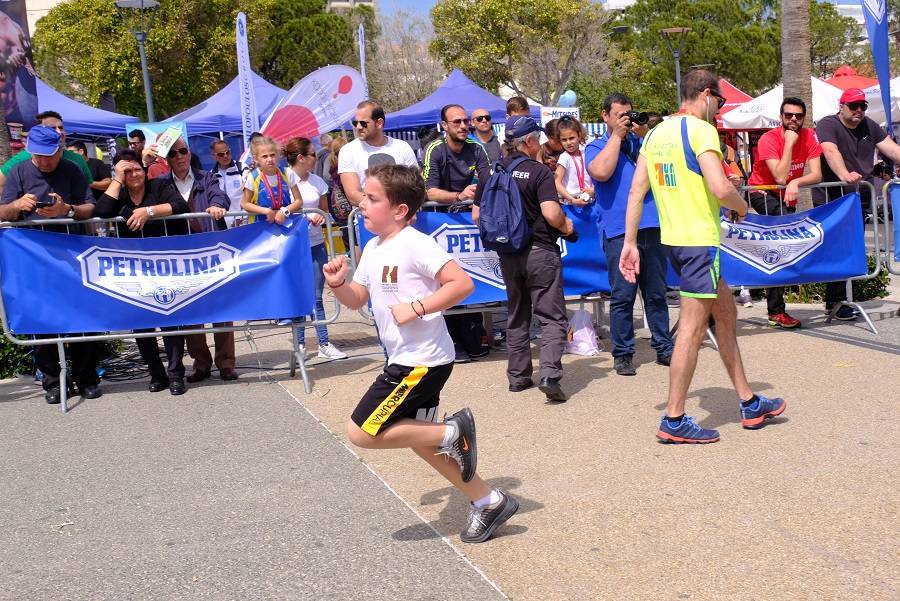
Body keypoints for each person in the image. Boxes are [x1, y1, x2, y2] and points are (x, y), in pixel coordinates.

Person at [322, 164, 518, 543]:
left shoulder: (416, 243)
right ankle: (489, 500)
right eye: (364, 195)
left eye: (372, 197)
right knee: (420, 441)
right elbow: (358, 299)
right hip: (409, 357)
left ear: (399, 210)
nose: (362, 203)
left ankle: (453, 430)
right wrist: (339, 284)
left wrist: (417, 308)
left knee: (361, 432)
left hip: (421, 361)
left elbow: (461, 284)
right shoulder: (374, 247)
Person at [620, 69, 786, 444]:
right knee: (691, 331)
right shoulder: (700, 131)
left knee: (725, 315)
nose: (719, 109)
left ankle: (748, 400)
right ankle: (674, 419)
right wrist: (742, 206)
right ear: (707, 94)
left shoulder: (656, 133)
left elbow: (635, 192)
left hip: (676, 243)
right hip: (700, 244)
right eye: (720, 102)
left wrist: (630, 242)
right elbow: (719, 186)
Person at [473, 116, 575, 402]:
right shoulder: (539, 172)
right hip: (540, 251)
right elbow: (553, 214)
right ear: (529, 141)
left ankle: (518, 378)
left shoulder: (491, 173)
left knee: (517, 315)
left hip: (508, 254)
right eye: (537, 139)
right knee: (552, 317)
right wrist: (568, 227)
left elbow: (478, 215)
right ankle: (550, 375)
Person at [0, 125, 101, 404]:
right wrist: (18, 205)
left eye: (48, 156)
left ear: (59, 149)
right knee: (42, 319)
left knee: (83, 318)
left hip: (71, 256)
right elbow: (2, 211)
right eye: (37, 155)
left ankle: (87, 377)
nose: (43, 161)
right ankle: (53, 381)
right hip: (33, 257)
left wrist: (65, 210)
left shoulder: (72, 170)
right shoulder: (18, 172)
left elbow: (90, 207)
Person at [586, 92, 673, 376]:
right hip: (618, 231)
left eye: (629, 114)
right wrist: (617, 137)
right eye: (619, 115)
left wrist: (643, 133)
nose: (626, 119)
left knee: (656, 294)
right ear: (605, 116)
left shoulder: (643, 143)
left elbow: (663, 168)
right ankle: (623, 353)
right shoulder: (597, 146)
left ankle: (664, 346)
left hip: (652, 225)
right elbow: (600, 172)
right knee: (623, 295)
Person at [95, 149, 191, 395]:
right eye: (127, 171)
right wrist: (117, 181)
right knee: (141, 324)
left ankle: (176, 374)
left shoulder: (158, 186)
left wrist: (147, 212)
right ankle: (156, 374)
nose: (134, 174)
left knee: (170, 320)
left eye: (137, 168)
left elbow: (179, 204)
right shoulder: (119, 194)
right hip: (134, 270)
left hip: (164, 266)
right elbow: (103, 210)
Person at [158, 136, 239, 384]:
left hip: (210, 252)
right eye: (173, 153)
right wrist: (145, 159)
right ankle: (201, 363)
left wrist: (216, 205)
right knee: (191, 310)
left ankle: (226, 363)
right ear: (167, 159)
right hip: (180, 255)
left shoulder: (206, 177)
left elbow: (220, 196)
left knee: (221, 308)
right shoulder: (161, 184)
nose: (180, 156)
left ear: (189, 153)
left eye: (183, 151)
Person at [815, 87, 900, 320]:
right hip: (832, 198)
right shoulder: (828, 124)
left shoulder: (869, 125)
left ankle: (840, 300)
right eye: (854, 106)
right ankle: (834, 301)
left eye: (862, 106)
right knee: (834, 248)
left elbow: (891, 149)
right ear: (841, 106)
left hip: (858, 197)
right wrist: (843, 173)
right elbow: (829, 150)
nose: (859, 110)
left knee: (850, 247)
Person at [423, 104, 492, 363]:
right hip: (441, 223)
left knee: (476, 280)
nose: (463, 126)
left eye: (466, 121)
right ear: (444, 126)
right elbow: (429, 191)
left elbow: (489, 181)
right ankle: (452, 341)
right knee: (447, 284)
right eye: (456, 122)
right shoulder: (435, 149)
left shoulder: (477, 147)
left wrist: (475, 201)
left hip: (471, 222)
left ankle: (476, 337)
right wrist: (459, 195)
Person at [746, 97, 822, 329]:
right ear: (781, 117)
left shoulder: (809, 136)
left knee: (781, 248)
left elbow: (817, 175)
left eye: (798, 116)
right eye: (788, 115)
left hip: (786, 195)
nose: (793, 120)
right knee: (779, 244)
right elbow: (779, 177)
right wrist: (789, 143)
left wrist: (796, 182)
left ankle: (775, 307)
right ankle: (775, 310)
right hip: (761, 192)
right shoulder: (769, 139)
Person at [284, 136, 347, 360]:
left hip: (316, 244)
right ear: (301, 158)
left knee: (317, 296)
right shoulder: (284, 178)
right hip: (292, 248)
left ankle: (324, 343)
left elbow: (326, 213)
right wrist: (302, 217)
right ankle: (299, 345)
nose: (316, 157)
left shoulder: (318, 182)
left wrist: (322, 218)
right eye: (312, 154)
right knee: (299, 295)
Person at [338, 100, 418, 207]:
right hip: (366, 220)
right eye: (355, 123)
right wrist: (386, 206)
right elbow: (353, 194)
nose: (358, 127)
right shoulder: (348, 151)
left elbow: (416, 184)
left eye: (363, 123)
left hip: (401, 216)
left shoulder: (402, 147)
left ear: (379, 123)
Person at [0, 111, 93, 189]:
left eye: (61, 128)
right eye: (52, 128)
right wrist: (17, 204)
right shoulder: (25, 157)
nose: (59, 132)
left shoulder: (77, 158)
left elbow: (86, 190)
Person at [554, 115, 593, 205]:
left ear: (579, 136)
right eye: (564, 140)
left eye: (571, 138)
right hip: (573, 204)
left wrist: (593, 189)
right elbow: (556, 182)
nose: (568, 143)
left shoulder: (586, 152)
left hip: (591, 201)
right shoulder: (564, 157)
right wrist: (572, 199)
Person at [209, 139, 246, 227]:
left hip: (243, 219)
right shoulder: (211, 175)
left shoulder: (242, 167)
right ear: (214, 156)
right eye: (221, 154)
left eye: (227, 152)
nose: (225, 156)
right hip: (222, 222)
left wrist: (244, 215)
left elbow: (249, 192)